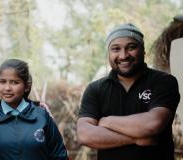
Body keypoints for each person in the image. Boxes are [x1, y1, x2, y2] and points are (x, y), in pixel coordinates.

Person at [76, 23, 180, 160]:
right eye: (116, 49)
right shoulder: (95, 89)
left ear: (143, 50)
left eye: (131, 47)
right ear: (109, 53)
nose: (123, 55)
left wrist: (107, 121)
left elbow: (153, 123)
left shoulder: (163, 81)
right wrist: (135, 139)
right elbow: (85, 135)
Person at [0, 59, 68, 160]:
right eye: (2, 82)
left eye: (15, 82)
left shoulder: (42, 115)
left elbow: (59, 155)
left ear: (26, 86)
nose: (7, 88)